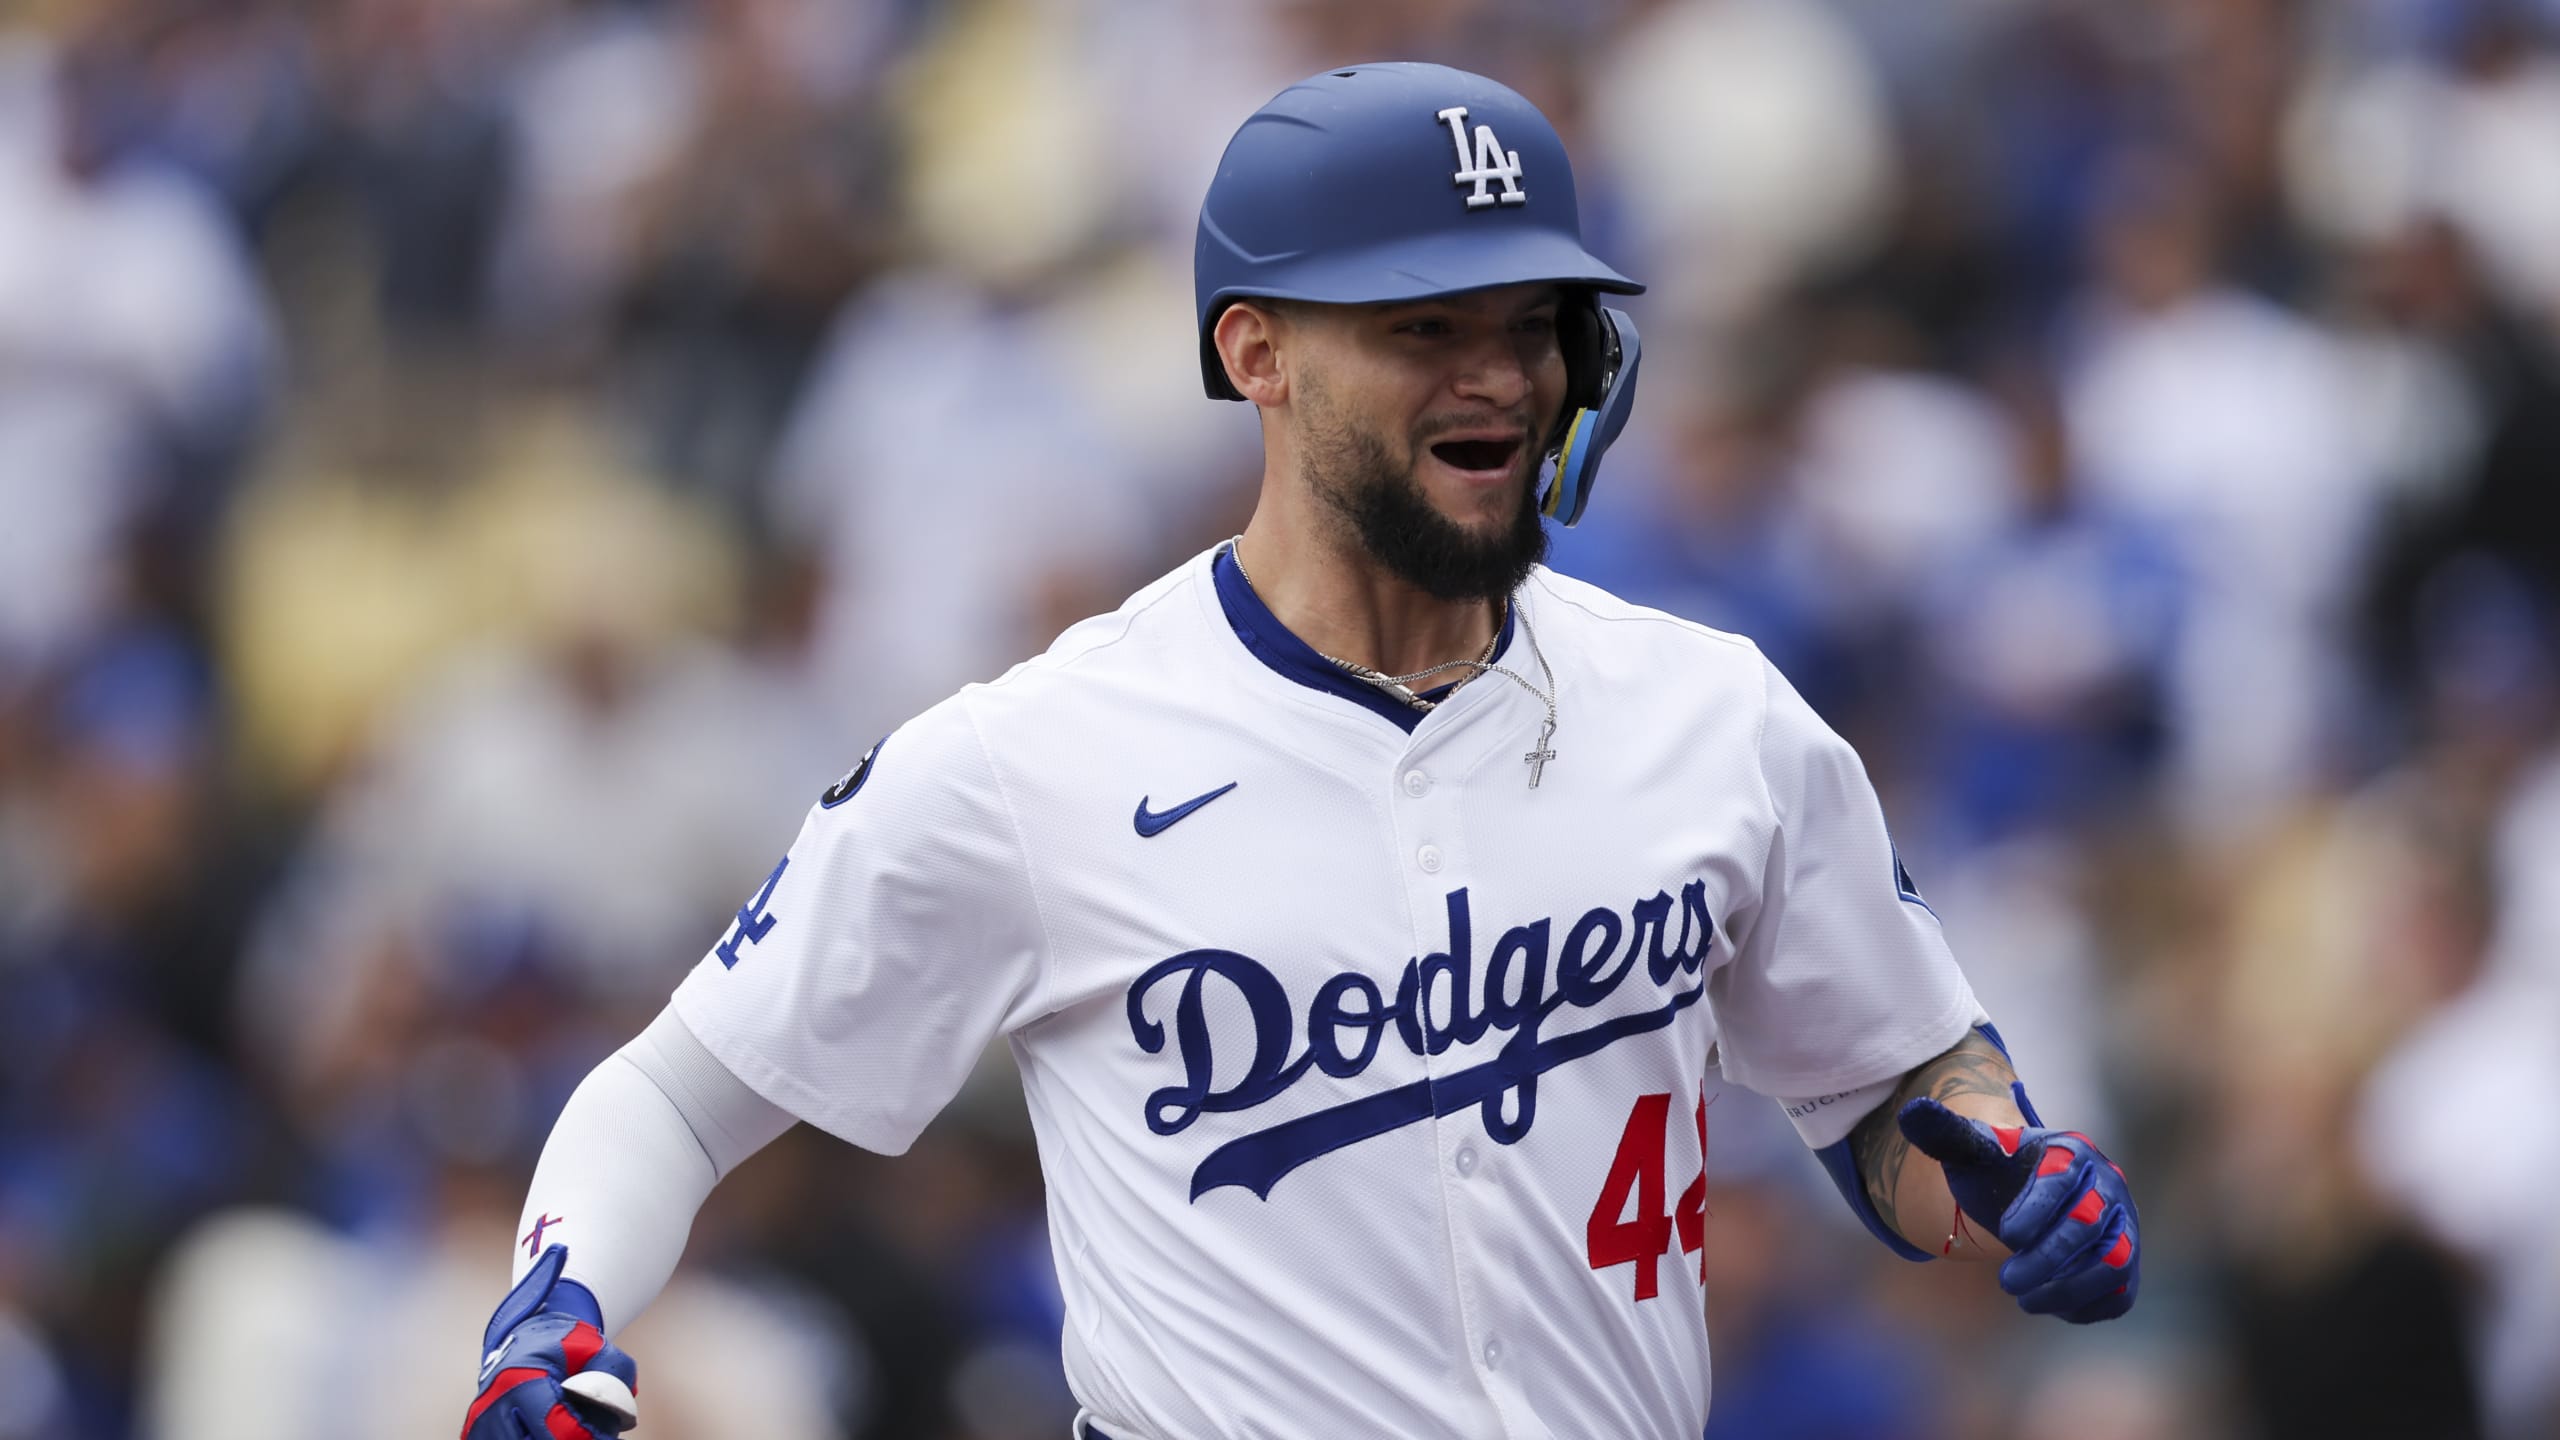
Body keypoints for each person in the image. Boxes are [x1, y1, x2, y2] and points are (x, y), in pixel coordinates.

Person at [460, 63, 2140, 1440]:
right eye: (1424, 326)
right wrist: (554, 1300)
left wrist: (2007, 1170)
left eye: (1533, 322)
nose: (1500, 375)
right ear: (1253, 350)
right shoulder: (1036, 755)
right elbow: (677, 1096)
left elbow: (1897, 1089)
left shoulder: (1717, 716)